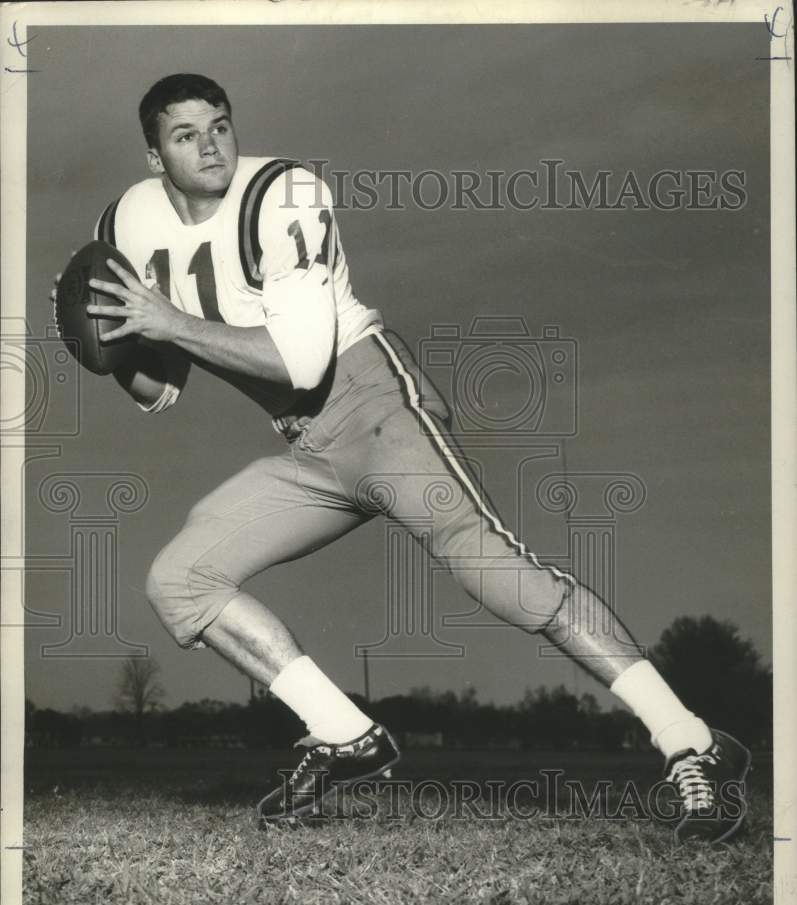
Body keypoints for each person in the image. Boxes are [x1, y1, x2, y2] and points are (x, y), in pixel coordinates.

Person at [66, 73, 750, 842]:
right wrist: (115, 340)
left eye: (219, 124)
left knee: (507, 582)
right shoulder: (125, 221)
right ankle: (343, 734)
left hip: (377, 409)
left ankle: (691, 742)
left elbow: (298, 358)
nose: (211, 144)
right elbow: (159, 390)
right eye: (185, 134)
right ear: (154, 155)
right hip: (306, 447)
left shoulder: (283, 192)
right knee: (179, 581)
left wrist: (164, 319)